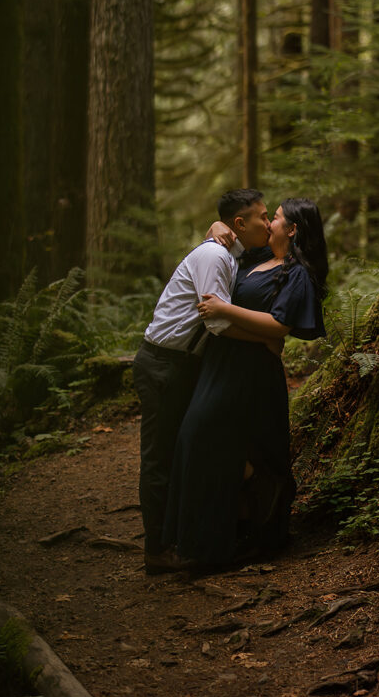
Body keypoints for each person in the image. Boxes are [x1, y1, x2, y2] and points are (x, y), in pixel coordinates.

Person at [162, 198, 328, 568]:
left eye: (277, 218)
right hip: (221, 364)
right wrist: (214, 228)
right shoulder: (254, 261)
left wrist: (224, 310)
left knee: (208, 439)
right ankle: (205, 541)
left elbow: (280, 326)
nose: (269, 223)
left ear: (293, 230)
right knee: (197, 440)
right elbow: (226, 245)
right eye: (268, 216)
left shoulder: (295, 272)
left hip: (252, 372)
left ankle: (253, 508)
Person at [134, 189, 273, 574]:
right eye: (262, 216)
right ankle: (157, 551)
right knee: (160, 457)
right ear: (240, 224)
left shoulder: (228, 252)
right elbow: (217, 322)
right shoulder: (214, 256)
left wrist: (218, 228)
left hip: (185, 365)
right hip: (163, 363)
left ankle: (184, 536)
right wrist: (269, 337)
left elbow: (257, 253)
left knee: (188, 447)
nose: (268, 222)